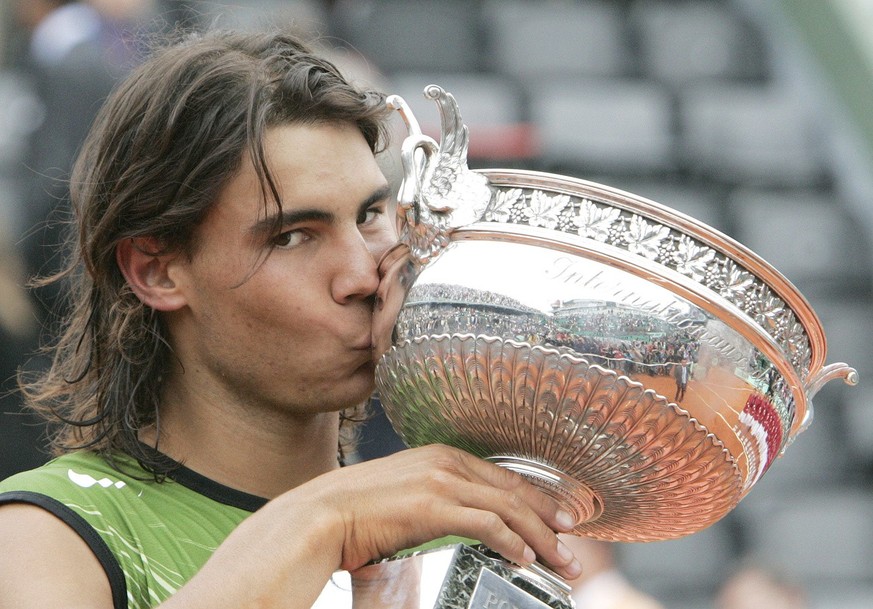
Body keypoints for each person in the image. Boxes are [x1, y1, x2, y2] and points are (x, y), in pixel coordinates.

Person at [0, 28, 582, 608]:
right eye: (293, 236)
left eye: (371, 215)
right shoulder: (48, 532)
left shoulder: (462, 531)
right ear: (156, 271)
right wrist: (323, 520)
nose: (362, 274)